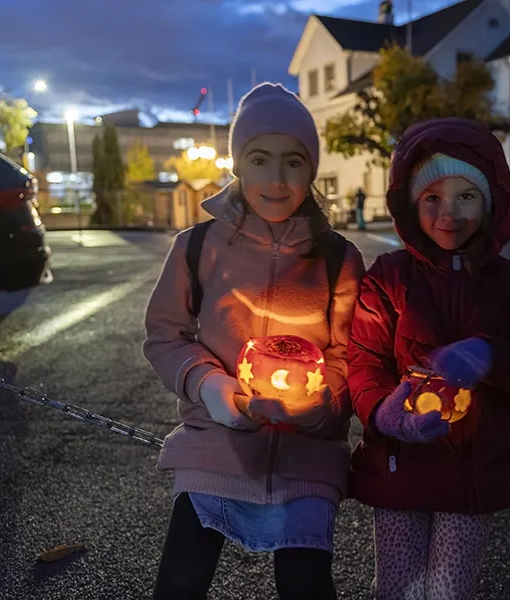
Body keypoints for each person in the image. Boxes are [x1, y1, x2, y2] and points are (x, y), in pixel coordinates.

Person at [143, 82, 365, 599]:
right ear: (237, 164)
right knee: (180, 580)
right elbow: (165, 335)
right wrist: (210, 387)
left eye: (293, 161)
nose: (277, 178)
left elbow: (347, 352)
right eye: (260, 159)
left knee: (306, 583)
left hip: (308, 454)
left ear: (311, 169)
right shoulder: (196, 247)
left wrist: (323, 405)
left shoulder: (339, 258)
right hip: (212, 446)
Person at [347, 118, 510, 599]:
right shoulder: (388, 277)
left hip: (472, 472)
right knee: (399, 590)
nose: (449, 213)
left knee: (448, 593)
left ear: (491, 202)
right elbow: (363, 362)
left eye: (466, 195)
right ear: (411, 204)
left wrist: (492, 354)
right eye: (432, 198)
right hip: (399, 466)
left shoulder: (507, 282)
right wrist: (386, 412)